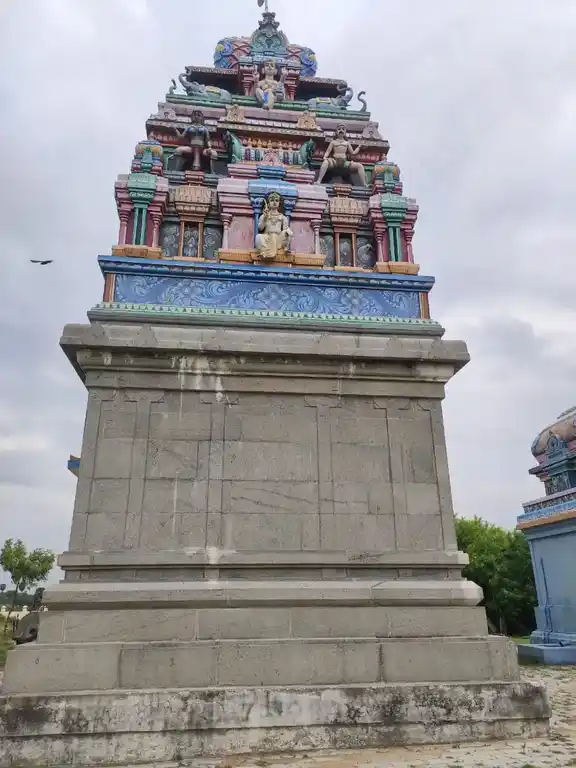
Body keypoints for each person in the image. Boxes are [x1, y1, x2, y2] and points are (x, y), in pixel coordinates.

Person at [255, 192, 292, 260]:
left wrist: (288, 233)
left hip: (278, 238)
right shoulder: (265, 215)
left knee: (287, 232)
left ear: (279, 203)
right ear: (268, 203)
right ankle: (264, 252)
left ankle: (285, 248)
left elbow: (285, 229)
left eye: (276, 200)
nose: (274, 202)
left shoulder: (282, 217)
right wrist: (265, 218)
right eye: (272, 200)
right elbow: (260, 228)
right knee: (258, 237)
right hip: (267, 237)